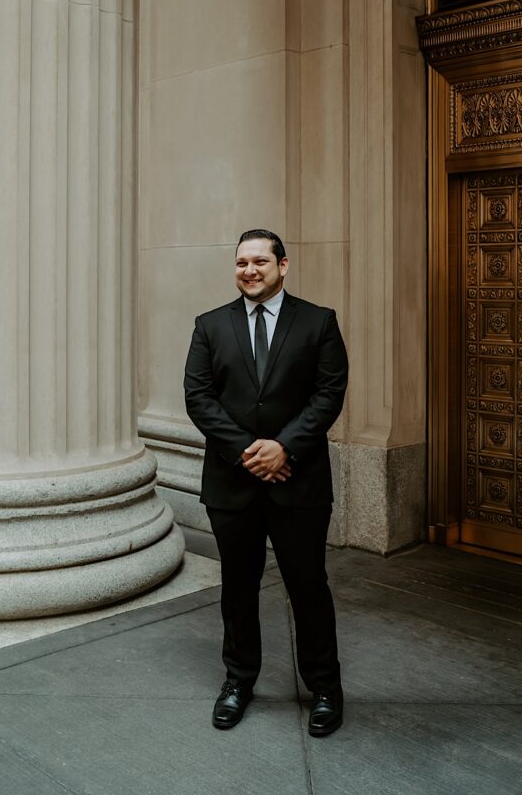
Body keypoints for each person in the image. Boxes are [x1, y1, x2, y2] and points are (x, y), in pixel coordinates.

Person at [183, 228, 349, 736]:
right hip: (233, 485)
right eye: (241, 263)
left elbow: (329, 392)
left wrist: (284, 446)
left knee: (308, 587)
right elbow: (198, 396)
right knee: (237, 587)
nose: (249, 271)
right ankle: (238, 681)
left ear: (283, 265)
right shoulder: (210, 325)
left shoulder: (318, 322)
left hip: (298, 481)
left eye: (259, 261)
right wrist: (248, 452)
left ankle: (324, 688)